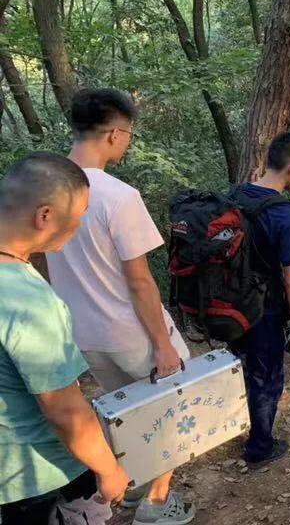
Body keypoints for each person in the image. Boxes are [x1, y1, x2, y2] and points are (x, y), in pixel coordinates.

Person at [46, 88, 195, 524]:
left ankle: (128, 491)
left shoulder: (44, 186)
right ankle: (156, 502)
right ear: (114, 134)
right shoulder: (117, 195)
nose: (128, 141)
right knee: (175, 411)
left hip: (84, 334)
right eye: (128, 133)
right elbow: (140, 281)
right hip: (132, 333)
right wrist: (163, 346)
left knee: (126, 416)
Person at [0, 153, 129, 524]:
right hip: (36, 476)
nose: (82, 220)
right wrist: (108, 471)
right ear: (45, 216)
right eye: (81, 211)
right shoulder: (27, 301)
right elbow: (64, 410)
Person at [233, 132, 290, 467]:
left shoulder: (235, 195)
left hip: (230, 304)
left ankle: (243, 425)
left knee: (244, 368)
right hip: (264, 309)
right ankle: (260, 447)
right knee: (266, 377)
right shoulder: (287, 217)